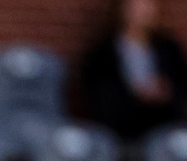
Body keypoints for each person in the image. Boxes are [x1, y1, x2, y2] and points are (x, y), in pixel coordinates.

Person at [80, 0, 187, 148]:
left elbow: (181, 87)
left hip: (165, 125)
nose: (142, 11)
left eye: (147, 5)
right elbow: (99, 99)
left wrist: (167, 92)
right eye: (136, 5)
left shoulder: (168, 49)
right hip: (124, 130)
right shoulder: (103, 53)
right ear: (122, 9)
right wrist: (135, 95)